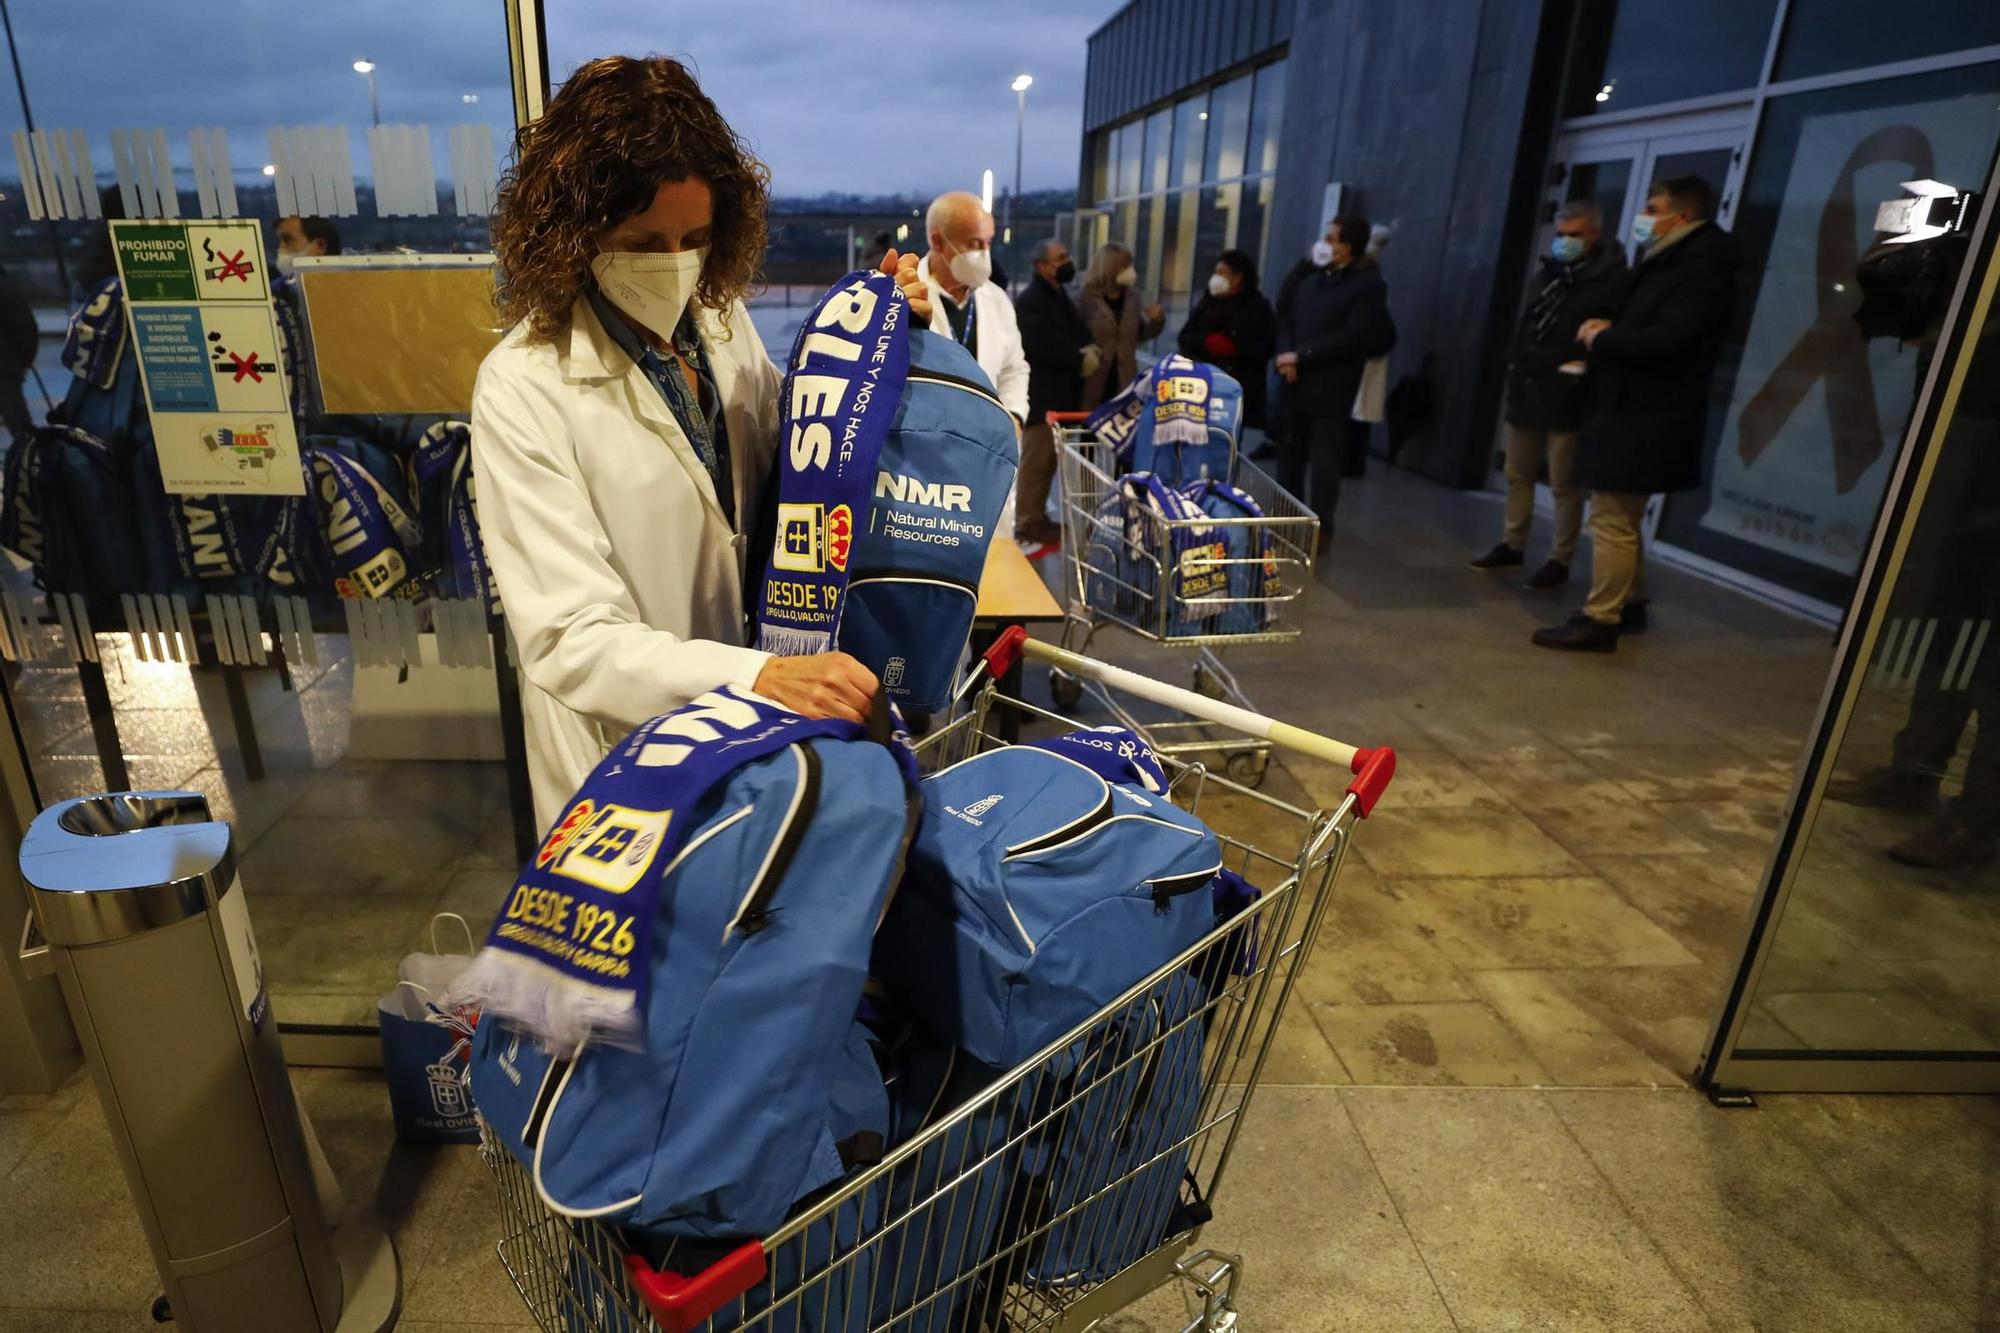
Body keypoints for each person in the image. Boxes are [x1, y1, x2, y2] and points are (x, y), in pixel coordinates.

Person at [470, 55, 931, 827]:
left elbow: (808, 454)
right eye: (643, 241)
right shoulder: (523, 385)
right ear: (573, 233)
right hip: (625, 767)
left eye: (696, 237)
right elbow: (571, 640)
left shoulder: (720, 323)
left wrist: (883, 334)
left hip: (752, 745)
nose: (674, 265)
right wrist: (756, 677)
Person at [1533, 176, 1740, 651]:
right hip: (1637, 409)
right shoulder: (1674, 262)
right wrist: (1613, 327)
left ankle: (1600, 618)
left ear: (1681, 215)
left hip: (1645, 414)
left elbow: (1670, 340)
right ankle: (1631, 603)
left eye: (1653, 207)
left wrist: (1604, 339)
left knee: (1610, 519)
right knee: (1623, 518)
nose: (1644, 216)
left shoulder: (1697, 270)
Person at [1470, 201, 1629, 588]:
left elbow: (1614, 332)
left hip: (1570, 392)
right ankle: (1513, 541)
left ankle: (1561, 557)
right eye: (1560, 235)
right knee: (1517, 472)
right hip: (1529, 386)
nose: (1565, 242)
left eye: (1575, 235)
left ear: (1593, 236)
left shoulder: (1612, 279)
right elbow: (1528, 322)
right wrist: (1514, 363)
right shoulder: (1549, 275)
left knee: (1564, 483)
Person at [1274, 213, 1394, 548]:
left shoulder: (1368, 284)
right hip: (1294, 379)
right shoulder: (1313, 279)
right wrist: (1287, 356)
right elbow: (1286, 314)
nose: (1325, 245)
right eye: (1325, 238)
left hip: (1331, 383)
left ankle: (1321, 527)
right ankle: (1287, 518)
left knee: (1325, 457)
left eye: (1332, 239)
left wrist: (1303, 356)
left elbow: (1355, 335)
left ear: (1350, 247)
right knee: (1290, 453)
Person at [915, 191, 1028, 425]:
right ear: (937, 242)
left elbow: (1013, 369)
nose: (984, 253)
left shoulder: (997, 300)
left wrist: (1014, 418)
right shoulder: (908, 297)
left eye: (988, 242)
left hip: (987, 443)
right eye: (973, 243)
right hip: (925, 441)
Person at [1014, 237, 1095, 551]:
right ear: (1042, 266)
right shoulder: (1033, 300)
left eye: (1066, 255)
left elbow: (1074, 332)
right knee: (1037, 463)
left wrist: (1086, 347)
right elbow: (1039, 345)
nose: (1067, 262)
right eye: (1060, 258)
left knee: (1047, 465)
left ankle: (1038, 516)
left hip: (1059, 397)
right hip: (1042, 398)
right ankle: (1028, 521)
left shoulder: (1057, 295)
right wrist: (1078, 357)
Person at [1176, 248, 1276, 438]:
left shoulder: (1258, 306)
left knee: (1229, 440)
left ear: (1238, 278)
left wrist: (1236, 349)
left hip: (1235, 388)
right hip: (1201, 384)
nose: (1216, 278)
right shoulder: (1208, 302)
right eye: (1216, 272)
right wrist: (1206, 343)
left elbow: (1266, 346)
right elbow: (1185, 337)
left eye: (1222, 273)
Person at [1076, 242, 1163, 407]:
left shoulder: (1134, 298)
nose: (1131, 271)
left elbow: (1140, 333)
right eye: (1125, 266)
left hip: (1125, 378)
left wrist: (1156, 320)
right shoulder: (1086, 298)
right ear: (1109, 268)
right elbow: (1074, 333)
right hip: (1094, 378)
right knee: (1091, 428)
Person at [0, 264, 39, 444]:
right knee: (17, 418)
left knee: (15, 415)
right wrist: (23, 360)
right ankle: (30, 459)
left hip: (6, 364)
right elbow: (26, 329)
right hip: (6, 365)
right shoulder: (7, 289)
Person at [276, 215, 342, 269]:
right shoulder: (277, 285)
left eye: (287, 239)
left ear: (320, 245)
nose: (281, 247)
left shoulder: (348, 282)